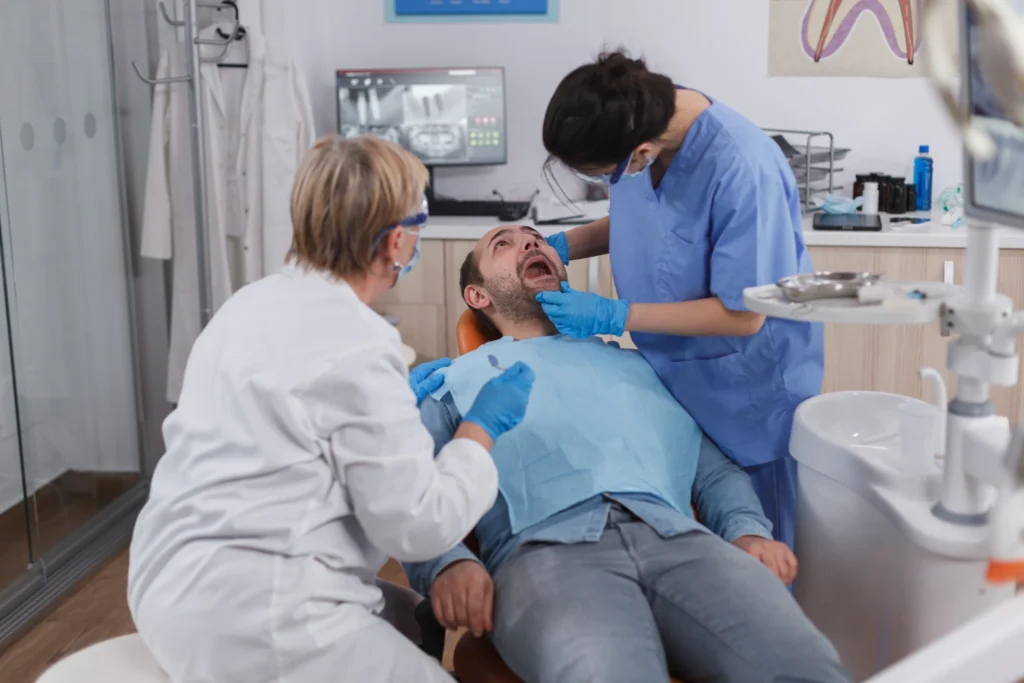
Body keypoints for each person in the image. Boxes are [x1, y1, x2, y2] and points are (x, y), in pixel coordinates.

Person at [126, 135, 536, 683]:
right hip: (257, 615)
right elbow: (419, 525)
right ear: (395, 241)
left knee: (409, 616)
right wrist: (480, 429)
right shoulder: (359, 344)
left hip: (165, 579)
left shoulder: (246, 303)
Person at [404, 225, 850, 683]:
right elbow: (407, 493)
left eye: (535, 237)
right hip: (546, 556)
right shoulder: (452, 383)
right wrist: (447, 563)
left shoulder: (641, 366)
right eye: (503, 243)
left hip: (680, 543)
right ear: (477, 295)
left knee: (809, 667)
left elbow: (713, 472)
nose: (531, 243)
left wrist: (747, 531)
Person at [537, 50, 824, 551]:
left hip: (745, 388)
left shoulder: (743, 168)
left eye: (603, 175)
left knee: (759, 546)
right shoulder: (638, 130)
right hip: (671, 377)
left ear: (641, 151)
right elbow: (641, 218)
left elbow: (745, 315)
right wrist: (559, 245)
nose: (607, 183)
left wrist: (613, 314)